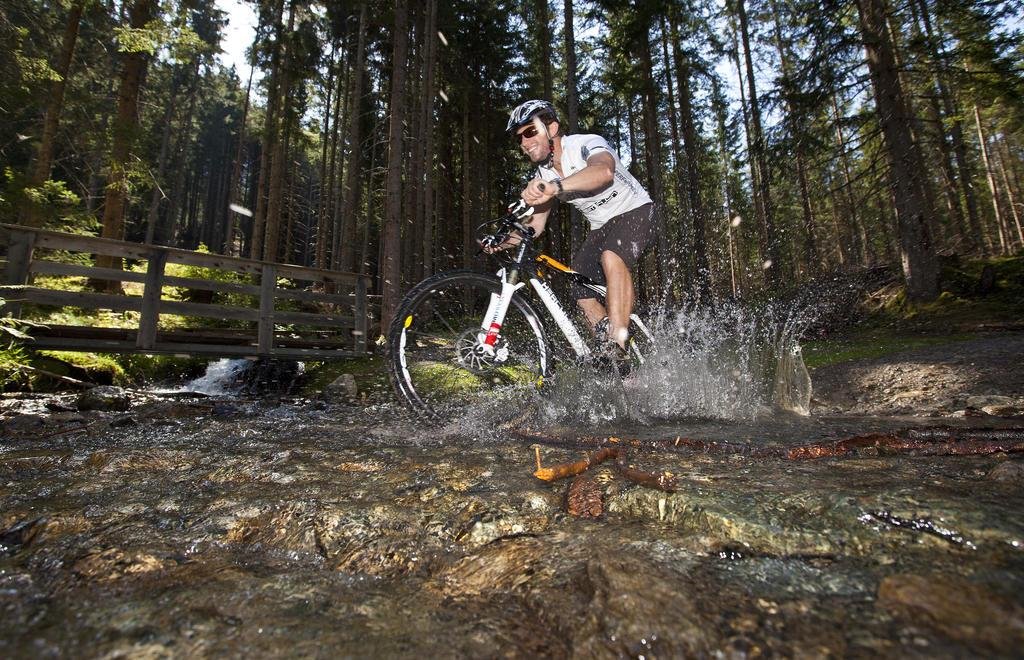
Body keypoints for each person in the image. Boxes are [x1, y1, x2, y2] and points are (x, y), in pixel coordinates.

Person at [487, 99, 659, 365]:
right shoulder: (543, 172)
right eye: (519, 138)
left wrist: (554, 187)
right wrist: (502, 242)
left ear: (552, 128)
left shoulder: (584, 143)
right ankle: (618, 366)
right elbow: (536, 226)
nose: (524, 142)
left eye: (530, 131)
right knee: (580, 286)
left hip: (636, 211)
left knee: (612, 256)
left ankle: (617, 343)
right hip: (602, 226)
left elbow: (604, 171)